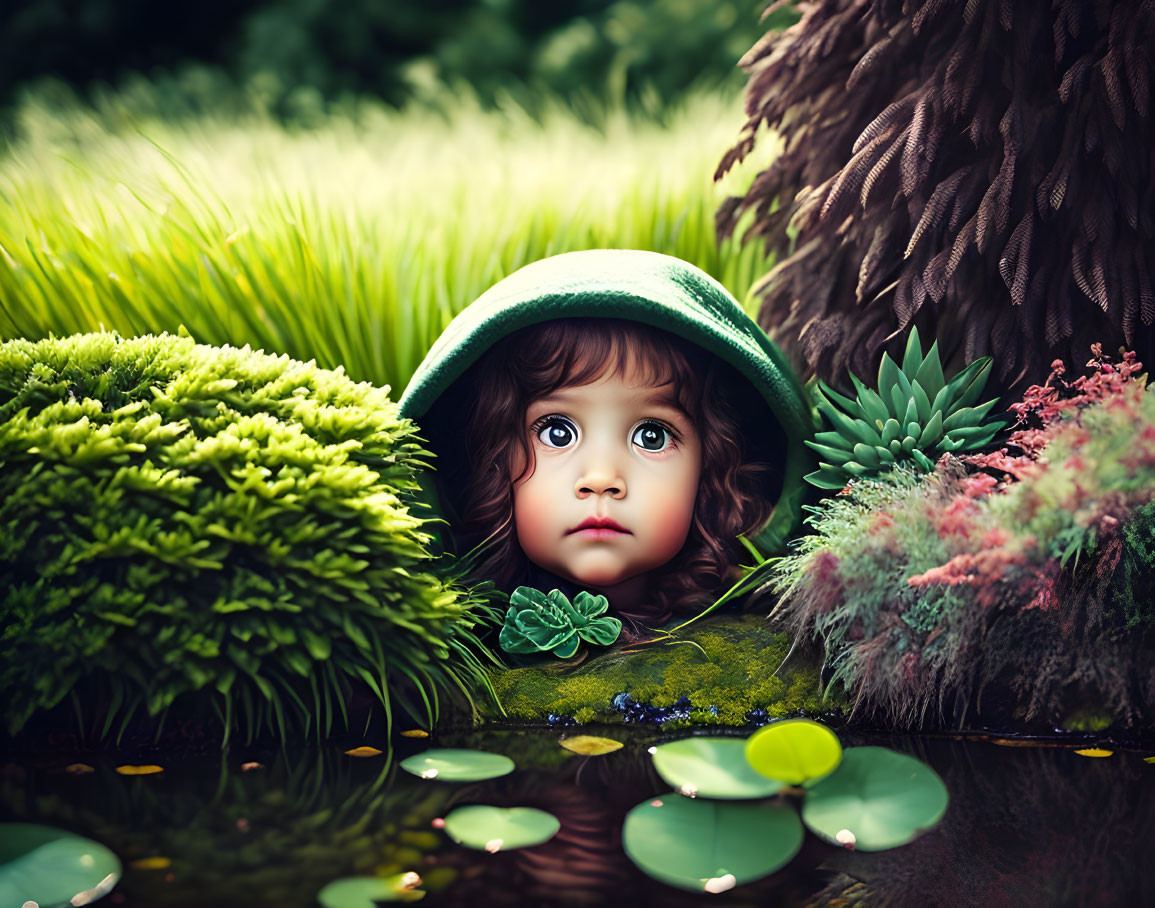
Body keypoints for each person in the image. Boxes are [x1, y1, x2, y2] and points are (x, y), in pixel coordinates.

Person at [399, 249, 814, 633]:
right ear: (495, 460)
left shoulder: (756, 631)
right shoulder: (449, 642)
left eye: (651, 436)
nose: (601, 478)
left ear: (710, 467)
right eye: (557, 432)